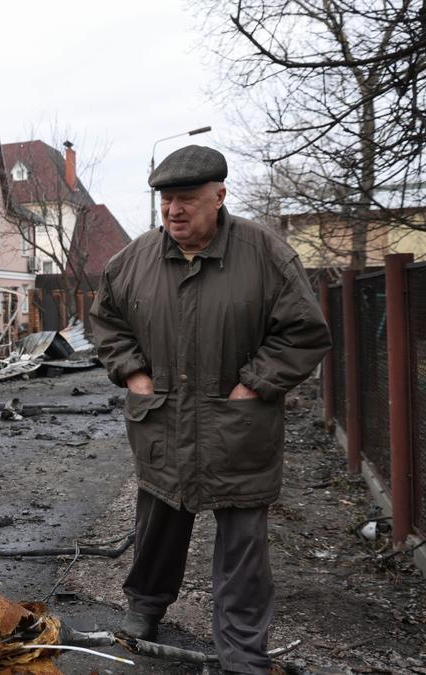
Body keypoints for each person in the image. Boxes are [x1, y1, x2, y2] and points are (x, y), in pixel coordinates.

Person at [88, 145, 331, 674]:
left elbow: (305, 333)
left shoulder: (266, 255)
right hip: (162, 420)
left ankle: (242, 650)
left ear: (219, 196)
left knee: (243, 543)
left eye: (187, 200)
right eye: (166, 201)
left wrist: (254, 385)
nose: (174, 211)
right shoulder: (132, 262)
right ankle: (145, 609)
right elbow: (106, 323)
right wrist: (134, 373)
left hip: (236, 424)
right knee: (158, 525)